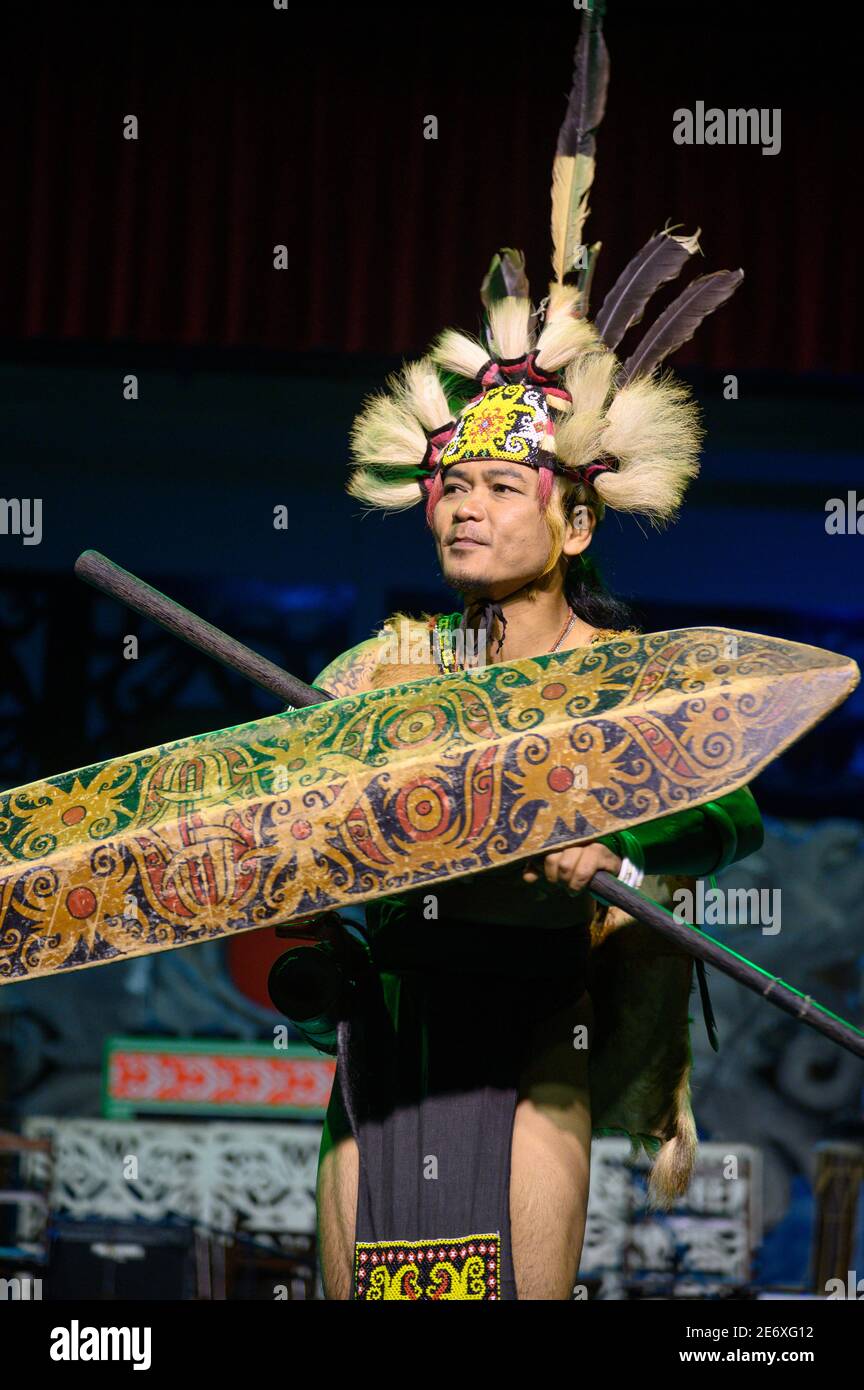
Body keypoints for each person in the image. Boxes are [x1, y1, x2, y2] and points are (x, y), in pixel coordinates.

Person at [301, 6, 761, 1300]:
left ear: (569, 515)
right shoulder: (374, 671)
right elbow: (289, 804)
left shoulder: (621, 687)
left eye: (501, 485)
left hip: (532, 1050)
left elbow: (726, 816)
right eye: (452, 485)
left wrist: (619, 843)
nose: (464, 505)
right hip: (378, 1054)